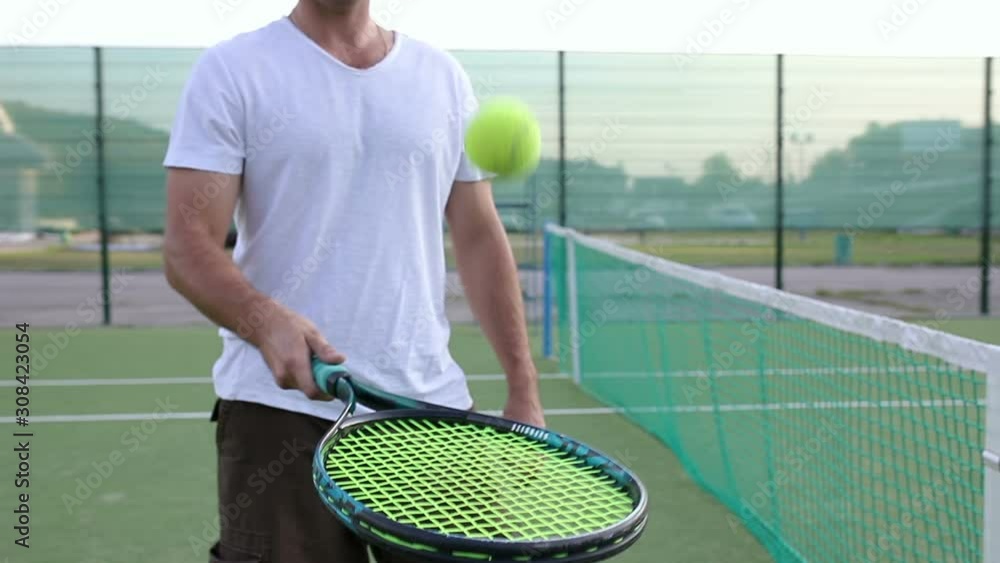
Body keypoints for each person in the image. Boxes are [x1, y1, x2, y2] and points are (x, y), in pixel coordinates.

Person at [161, 1, 545, 561]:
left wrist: (523, 386)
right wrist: (266, 322)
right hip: (282, 414)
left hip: (431, 415)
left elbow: (480, 237)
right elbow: (187, 247)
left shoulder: (442, 77)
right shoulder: (232, 69)